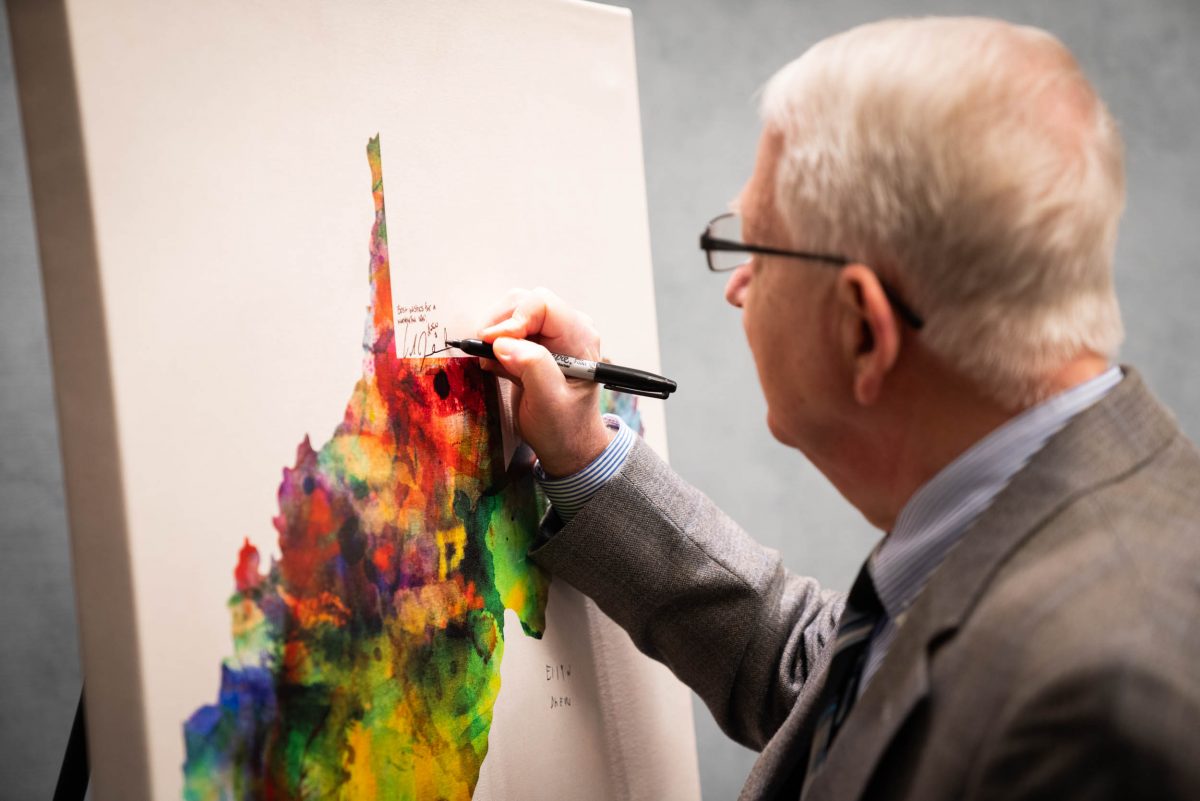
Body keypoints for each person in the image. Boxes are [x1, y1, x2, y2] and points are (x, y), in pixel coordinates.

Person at [478, 17, 1200, 801]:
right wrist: (585, 454)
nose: (736, 288)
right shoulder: (1067, 523)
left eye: (753, 248)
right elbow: (831, 687)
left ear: (862, 329)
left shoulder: (1096, 709)